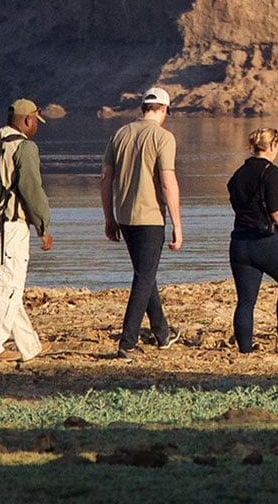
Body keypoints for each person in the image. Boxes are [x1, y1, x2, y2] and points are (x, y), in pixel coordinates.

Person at [101, 87, 182, 359]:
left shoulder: (119, 134)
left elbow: (105, 179)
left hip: (124, 216)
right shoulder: (163, 137)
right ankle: (127, 341)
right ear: (164, 110)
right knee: (144, 276)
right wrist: (178, 224)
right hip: (150, 218)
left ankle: (162, 333)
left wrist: (109, 217)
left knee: (146, 274)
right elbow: (168, 183)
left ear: (143, 107)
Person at [0, 98, 52, 363]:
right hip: (10, 226)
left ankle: (30, 346)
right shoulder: (24, 147)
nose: (35, 128)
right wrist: (43, 226)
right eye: (35, 123)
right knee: (7, 286)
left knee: (8, 286)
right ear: (27, 120)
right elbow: (32, 190)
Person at [228, 127, 278, 354]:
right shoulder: (271, 172)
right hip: (265, 240)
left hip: (240, 242)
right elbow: (276, 209)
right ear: (273, 146)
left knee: (245, 301)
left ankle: (245, 349)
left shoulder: (238, 174)